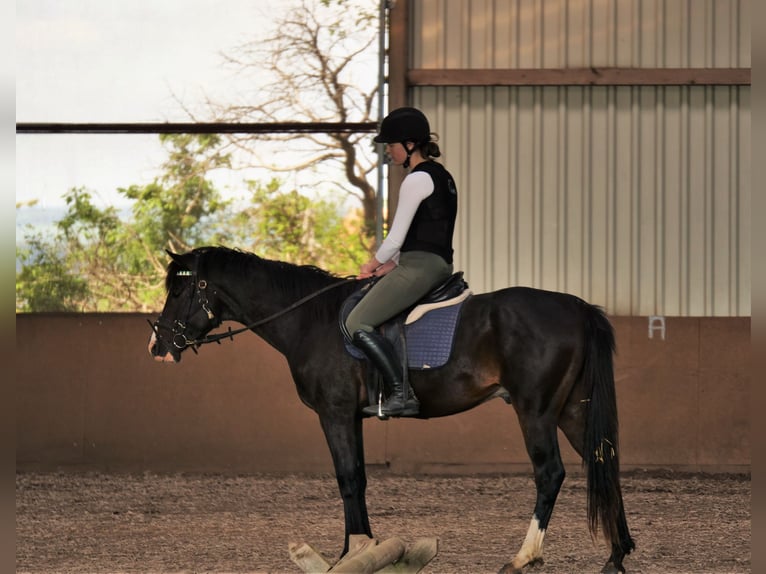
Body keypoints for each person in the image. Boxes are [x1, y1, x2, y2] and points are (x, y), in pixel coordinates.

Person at [346, 107, 458, 417]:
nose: (389, 152)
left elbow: (395, 237)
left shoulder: (416, 179)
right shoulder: (442, 176)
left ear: (410, 145)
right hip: (435, 263)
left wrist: (371, 264)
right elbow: (424, 232)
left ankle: (401, 393)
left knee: (356, 322)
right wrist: (391, 264)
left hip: (420, 266)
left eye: (392, 145)